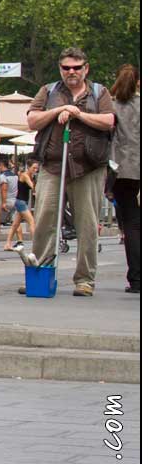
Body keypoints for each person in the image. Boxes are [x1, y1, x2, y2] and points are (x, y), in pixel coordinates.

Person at [22, 47, 117, 297]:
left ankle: (85, 280)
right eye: (66, 68)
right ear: (60, 69)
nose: (71, 72)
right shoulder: (49, 91)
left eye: (76, 67)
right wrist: (58, 111)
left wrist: (78, 113)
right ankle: (40, 271)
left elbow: (109, 120)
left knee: (86, 225)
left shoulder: (99, 92)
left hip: (88, 169)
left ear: (86, 68)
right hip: (52, 166)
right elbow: (32, 120)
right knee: (44, 219)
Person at [107, 64, 139, 293]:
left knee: (130, 224)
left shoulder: (111, 106)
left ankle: (136, 278)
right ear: (138, 82)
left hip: (121, 170)